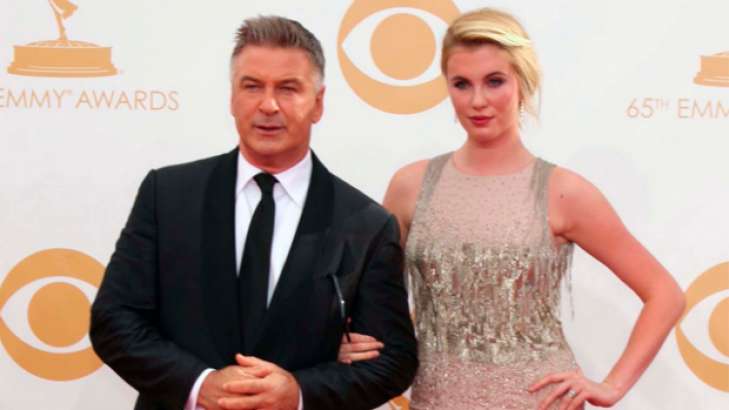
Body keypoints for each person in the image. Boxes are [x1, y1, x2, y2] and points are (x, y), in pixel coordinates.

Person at [337, 8, 685, 410]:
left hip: (538, 400)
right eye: (462, 84)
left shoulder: (563, 192)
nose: (478, 101)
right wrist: (346, 343)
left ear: (523, 80)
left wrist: (612, 386)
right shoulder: (410, 186)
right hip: (437, 398)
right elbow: (375, 301)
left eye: (495, 81)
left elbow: (665, 294)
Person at [90, 15, 417, 410]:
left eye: (288, 88)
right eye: (252, 86)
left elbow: (393, 363)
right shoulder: (168, 195)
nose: (268, 105)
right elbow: (114, 320)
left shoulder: (365, 224)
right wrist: (200, 385)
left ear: (318, 103)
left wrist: (299, 392)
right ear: (232, 98)